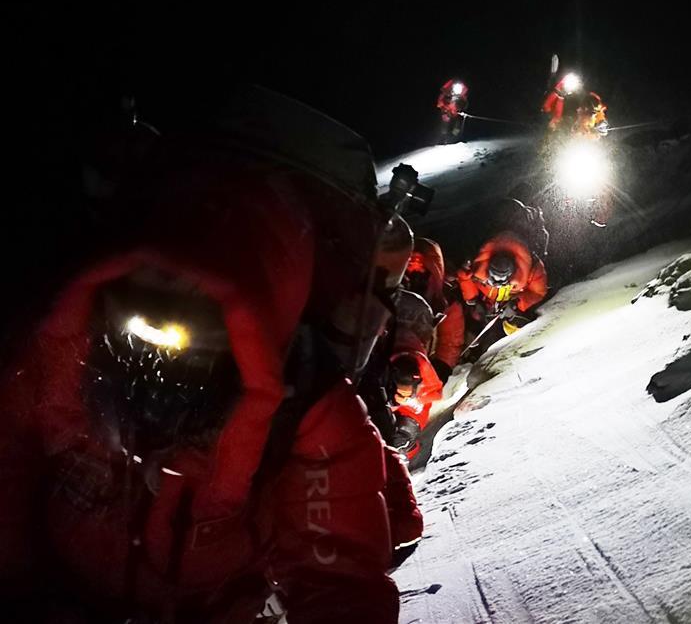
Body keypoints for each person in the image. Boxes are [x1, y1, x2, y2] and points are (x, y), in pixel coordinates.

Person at [0, 90, 417, 623]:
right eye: (156, 278)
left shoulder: (306, 408)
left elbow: (336, 575)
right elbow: (7, 467)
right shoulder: (65, 349)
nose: (170, 307)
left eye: (205, 295)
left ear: (258, 304)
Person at [456, 231, 548, 358]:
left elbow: (538, 292)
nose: (497, 283)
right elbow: (464, 277)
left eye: (502, 280)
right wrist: (473, 301)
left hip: (510, 311)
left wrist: (517, 304)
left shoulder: (533, 268)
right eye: (493, 278)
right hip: (487, 305)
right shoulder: (475, 263)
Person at [402, 237, 465, 383]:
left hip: (423, 359)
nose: (415, 266)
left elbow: (451, 340)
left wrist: (442, 367)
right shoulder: (390, 289)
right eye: (411, 263)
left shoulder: (445, 302)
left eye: (421, 264)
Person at [435, 79, 469, 144]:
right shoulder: (446, 94)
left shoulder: (462, 96)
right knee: (445, 123)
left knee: (458, 126)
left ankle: (455, 138)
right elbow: (440, 103)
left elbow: (465, 104)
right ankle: (443, 139)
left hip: (456, 113)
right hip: (446, 112)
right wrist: (445, 110)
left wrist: (461, 110)